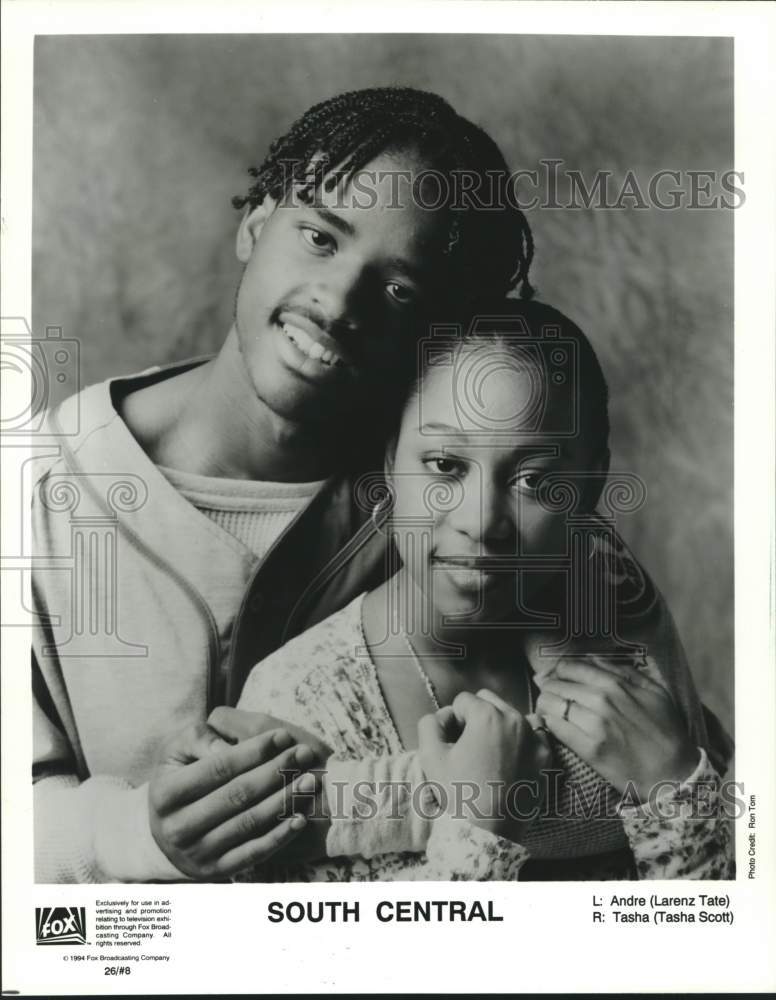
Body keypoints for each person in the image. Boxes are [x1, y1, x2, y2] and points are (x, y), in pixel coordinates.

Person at [31, 86, 536, 883]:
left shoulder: (462, 512)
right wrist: (131, 832)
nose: (338, 302)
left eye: (399, 290)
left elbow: (631, 751)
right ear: (257, 224)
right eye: (319, 237)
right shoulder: (37, 487)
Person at [235, 298, 734, 881]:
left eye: (534, 479)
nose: (481, 520)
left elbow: (711, 949)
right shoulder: (299, 701)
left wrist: (676, 785)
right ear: (391, 461)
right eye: (445, 464)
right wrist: (477, 821)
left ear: (591, 485)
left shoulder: (621, 614)